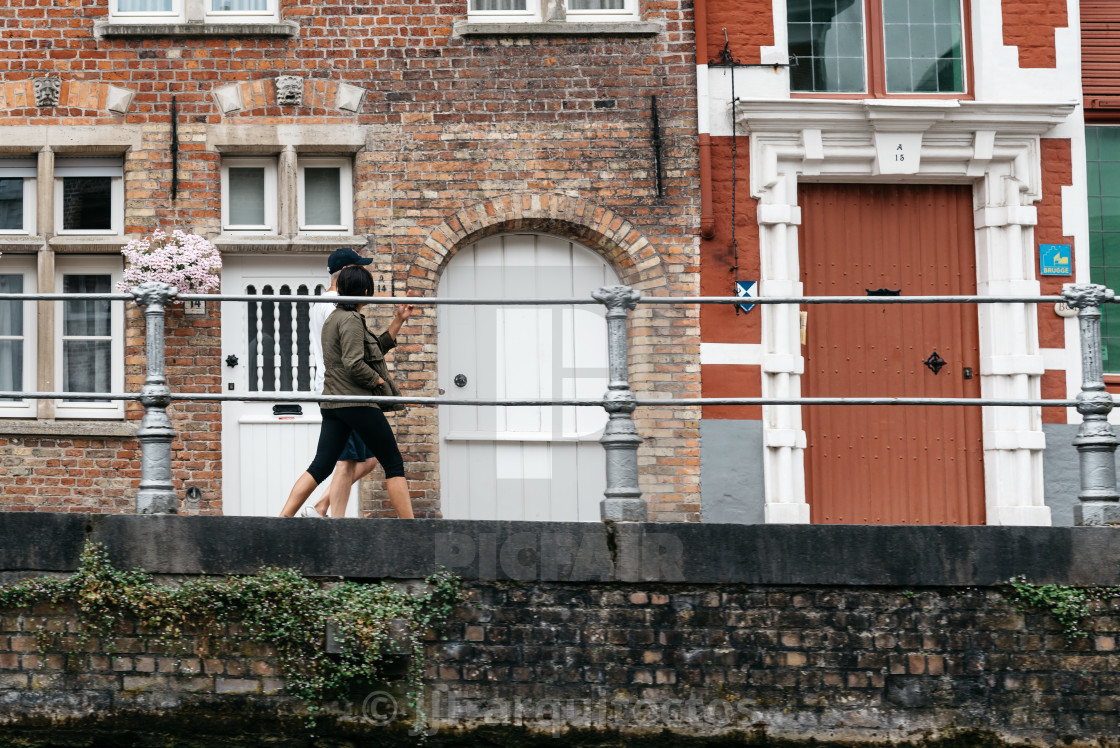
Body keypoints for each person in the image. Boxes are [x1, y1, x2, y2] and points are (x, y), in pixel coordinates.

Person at [279, 265, 415, 519]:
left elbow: (371, 351)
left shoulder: (335, 318)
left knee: (320, 466)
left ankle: (281, 521)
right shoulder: (351, 320)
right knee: (393, 463)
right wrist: (377, 380)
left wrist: (398, 321)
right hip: (356, 403)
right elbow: (355, 364)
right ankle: (412, 530)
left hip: (333, 403)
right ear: (366, 291)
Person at [300, 248, 379, 519]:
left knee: (367, 459)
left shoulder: (323, 301)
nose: (364, 274)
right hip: (341, 388)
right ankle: (335, 522)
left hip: (334, 387)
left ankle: (322, 507)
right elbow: (349, 355)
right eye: (360, 268)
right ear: (347, 272)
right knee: (344, 461)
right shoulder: (338, 304)